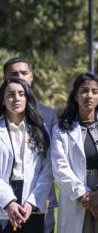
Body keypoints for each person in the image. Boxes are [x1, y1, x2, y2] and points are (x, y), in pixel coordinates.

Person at [51, 73, 98, 233]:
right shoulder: (61, 129)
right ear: (75, 95)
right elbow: (60, 168)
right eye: (84, 91)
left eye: (94, 91)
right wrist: (86, 197)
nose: (89, 95)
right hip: (76, 195)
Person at [2, 57, 58, 233]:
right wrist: (8, 201)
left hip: (36, 197)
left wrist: (35, 200)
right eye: (10, 94)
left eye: (21, 94)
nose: (16, 98)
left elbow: (49, 166)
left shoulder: (43, 123)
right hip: (4, 194)